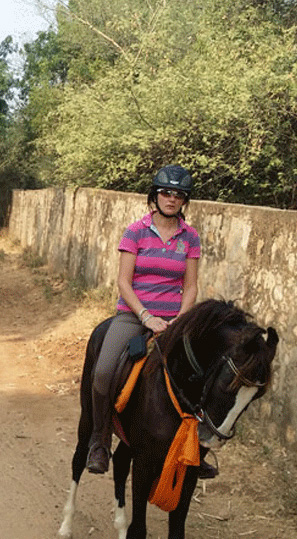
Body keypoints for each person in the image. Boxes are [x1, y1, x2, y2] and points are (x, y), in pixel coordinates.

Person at [86, 164, 201, 474]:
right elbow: (124, 281)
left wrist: (180, 320)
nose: (172, 199)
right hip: (134, 315)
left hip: (174, 319)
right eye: (166, 192)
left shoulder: (190, 237)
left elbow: (190, 286)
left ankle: (196, 447)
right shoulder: (135, 231)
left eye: (179, 195)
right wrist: (147, 316)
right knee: (103, 372)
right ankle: (99, 442)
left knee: (202, 373)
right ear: (155, 195)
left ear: (184, 201)